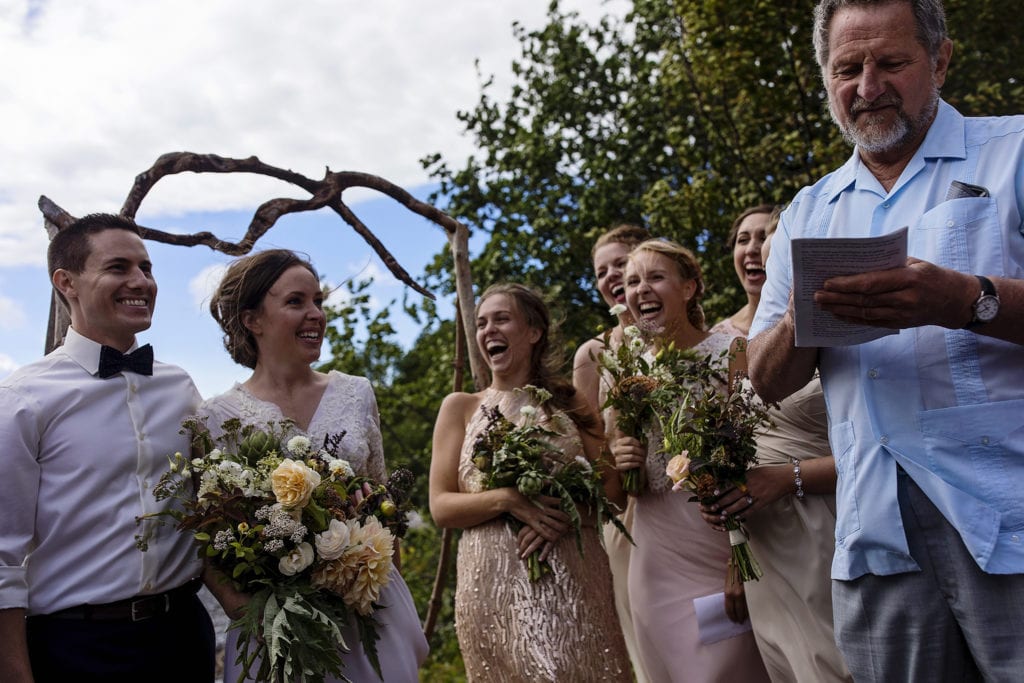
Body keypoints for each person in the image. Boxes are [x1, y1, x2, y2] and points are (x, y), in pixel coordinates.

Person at [748, 1, 1024, 680]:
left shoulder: (1012, 151)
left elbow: (970, 300)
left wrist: (966, 299)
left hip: (1008, 519)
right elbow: (762, 377)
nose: (868, 87)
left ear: (941, 59)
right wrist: (800, 322)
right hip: (875, 540)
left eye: (890, 63)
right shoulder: (808, 212)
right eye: (848, 68)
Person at [0, 213, 215, 682]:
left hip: (183, 636)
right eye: (118, 268)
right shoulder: (23, 400)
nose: (141, 281)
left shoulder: (180, 389)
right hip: (76, 650)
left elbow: (214, 507)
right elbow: (1, 556)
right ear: (67, 282)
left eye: (147, 268)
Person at [199, 249, 428, 682]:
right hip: (276, 626)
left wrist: (372, 531)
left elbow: (384, 504)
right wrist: (255, 614)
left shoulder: (356, 394)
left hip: (367, 613)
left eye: (318, 301)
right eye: (295, 302)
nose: (315, 314)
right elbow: (207, 542)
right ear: (252, 320)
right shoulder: (216, 416)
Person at [430, 283, 631, 681]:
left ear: (533, 331)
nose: (489, 330)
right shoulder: (460, 407)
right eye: (481, 323)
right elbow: (440, 507)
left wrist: (562, 514)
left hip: (573, 580)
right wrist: (508, 499)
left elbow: (614, 494)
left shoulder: (569, 401)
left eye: (502, 319)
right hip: (489, 588)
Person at [609, 239, 769, 683]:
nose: (642, 289)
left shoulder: (730, 352)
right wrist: (623, 460)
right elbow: (619, 490)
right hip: (653, 559)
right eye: (632, 282)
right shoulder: (628, 372)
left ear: (690, 287)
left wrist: (740, 561)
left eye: (655, 277)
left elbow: (758, 455)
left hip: (721, 546)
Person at [702, 215, 852, 683]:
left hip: (827, 527)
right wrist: (729, 526)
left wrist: (788, 478)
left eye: (781, 263)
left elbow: (879, 451)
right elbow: (735, 450)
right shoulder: (738, 352)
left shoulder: (845, 336)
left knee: (838, 665)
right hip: (763, 541)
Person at [571, 222, 652, 683]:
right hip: (626, 514)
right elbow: (589, 451)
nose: (611, 277)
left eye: (620, 264)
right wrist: (615, 454)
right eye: (602, 271)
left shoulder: (688, 337)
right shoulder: (592, 354)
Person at [709, 204, 775, 338]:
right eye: (743, 240)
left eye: (764, 239)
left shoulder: (814, 320)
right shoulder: (718, 336)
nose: (751, 249)